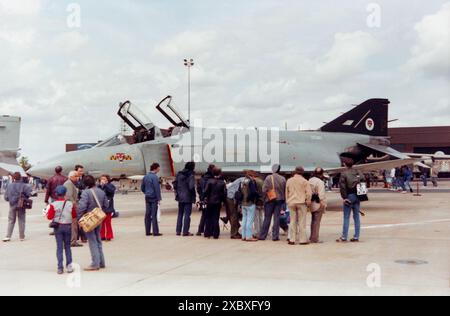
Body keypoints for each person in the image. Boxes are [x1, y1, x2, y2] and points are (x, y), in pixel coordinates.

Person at [78, 175, 109, 271]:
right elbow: (106, 205)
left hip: (89, 220)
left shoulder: (85, 193)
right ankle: (101, 262)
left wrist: (80, 218)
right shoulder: (101, 192)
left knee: (92, 241)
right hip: (98, 218)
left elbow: (82, 207)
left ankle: (95, 263)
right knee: (98, 239)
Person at [47, 186, 77, 274]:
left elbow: (49, 217)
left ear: (56, 194)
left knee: (59, 247)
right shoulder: (70, 204)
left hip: (58, 227)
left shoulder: (53, 204)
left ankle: (60, 267)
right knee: (67, 247)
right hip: (67, 226)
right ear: (65, 194)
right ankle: (69, 266)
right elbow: (74, 215)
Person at [337, 158, 364, 243]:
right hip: (358, 195)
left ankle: (344, 236)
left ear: (345, 164)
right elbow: (363, 179)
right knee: (356, 217)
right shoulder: (358, 172)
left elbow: (342, 187)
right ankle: (356, 236)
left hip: (349, 195)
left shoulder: (344, 174)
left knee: (346, 217)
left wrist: (344, 197)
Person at [286, 167, 312, 245]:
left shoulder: (289, 180)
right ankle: (302, 240)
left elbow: (286, 192)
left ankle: (292, 239)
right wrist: (308, 201)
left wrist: (287, 201)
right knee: (302, 222)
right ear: (302, 172)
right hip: (301, 202)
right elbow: (308, 193)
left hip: (291, 202)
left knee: (292, 221)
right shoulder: (305, 181)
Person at [260, 164, 286, 242]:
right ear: (279, 170)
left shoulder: (268, 178)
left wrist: (265, 198)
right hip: (279, 200)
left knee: (267, 218)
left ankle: (262, 236)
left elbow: (264, 189)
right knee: (276, 218)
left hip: (269, 200)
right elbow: (284, 190)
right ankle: (275, 236)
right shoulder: (283, 179)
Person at [3, 172, 33, 242]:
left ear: (13, 178)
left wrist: (11, 199)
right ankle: (21, 236)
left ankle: (8, 236)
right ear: (20, 177)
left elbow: (6, 197)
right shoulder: (24, 186)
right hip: (21, 205)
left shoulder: (9, 186)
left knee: (11, 220)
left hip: (12, 205)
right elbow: (30, 194)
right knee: (21, 220)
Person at [203, 168, 227, 239]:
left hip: (210, 201)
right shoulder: (222, 182)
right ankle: (216, 234)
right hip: (217, 202)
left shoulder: (209, 181)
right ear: (220, 174)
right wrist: (223, 201)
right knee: (215, 217)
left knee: (208, 217)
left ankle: (207, 233)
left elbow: (206, 191)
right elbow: (224, 193)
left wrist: (203, 197)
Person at [173, 162, 196, 237]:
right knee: (187, 215)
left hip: (180, 197)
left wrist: (178, 192)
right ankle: (185, 231)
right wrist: (194, 195)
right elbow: (191, 187)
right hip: (188, 197)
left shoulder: (179, 174)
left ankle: (178, 231)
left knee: (180, 214)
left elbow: (175, 184)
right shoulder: (191, 175)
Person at [141, 163, 162, 237]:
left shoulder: (145, 176)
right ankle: (155, 231)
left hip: (147, 197)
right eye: (158, 168)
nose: (159, 169)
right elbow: (157, 188)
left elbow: (142, 188)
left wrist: (146, 192)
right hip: (154, 197)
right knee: (154, 214)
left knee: (147, 214)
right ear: (155, 168)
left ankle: (147, 231)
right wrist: (159, 198)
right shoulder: (155, 177)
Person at [64, 171, 82, 247]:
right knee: (73, 224)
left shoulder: (71, 183)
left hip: (71, 206)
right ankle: (72, 241)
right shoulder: (68, 184)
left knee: (74, 224)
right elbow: (69, 196)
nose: (77, 177)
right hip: (71, 207)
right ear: (71, 177)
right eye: (76, 176)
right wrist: (75, 205)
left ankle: (73, 240)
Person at [309, 168, 327, 243]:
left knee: (313, 220)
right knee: (317, 221)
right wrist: (323, 205)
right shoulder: (320, 182)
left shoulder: (310, 180)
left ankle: (312, 236)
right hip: (318, 203)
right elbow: (321, 195)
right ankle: (315, 238)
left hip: (311, 203)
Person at [196, 165, 215, 236]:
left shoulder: (202, 178)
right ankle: (211, 230)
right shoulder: (212, 179)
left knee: (204, 215)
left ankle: (200, 230)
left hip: (203, 199)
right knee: (212, 215)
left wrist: (201, 196)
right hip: (211, 199)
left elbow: (198, 189)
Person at [240, 171, 259, 242]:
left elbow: (240, 192)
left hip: (243, 203)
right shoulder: (251, 182)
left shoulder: (242, 182)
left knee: (244, 219)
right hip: (250, 203)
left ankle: (243, 236)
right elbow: (253, 192)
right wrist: (257, 195)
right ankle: (249, 236)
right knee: (249, 220)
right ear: (251, 175)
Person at [99, 175, 116, 241]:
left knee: (108, 222)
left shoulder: (110, 186)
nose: (102, 180)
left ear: (107, 180)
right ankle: (102, 235)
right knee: (101, 222)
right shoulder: (99, 187)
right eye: (101, 179)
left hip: (108, 206)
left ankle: (109, 235)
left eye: (104, 179)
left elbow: (111, 192)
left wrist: (105, 185)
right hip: (101, 206)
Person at [252, 171, 265, 239]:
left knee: (256, 218)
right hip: (262, 201)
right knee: (261, 217)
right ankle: (262, 231)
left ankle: (257, 232)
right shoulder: (262, 181)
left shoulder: (254, 181)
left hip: (256, 201)